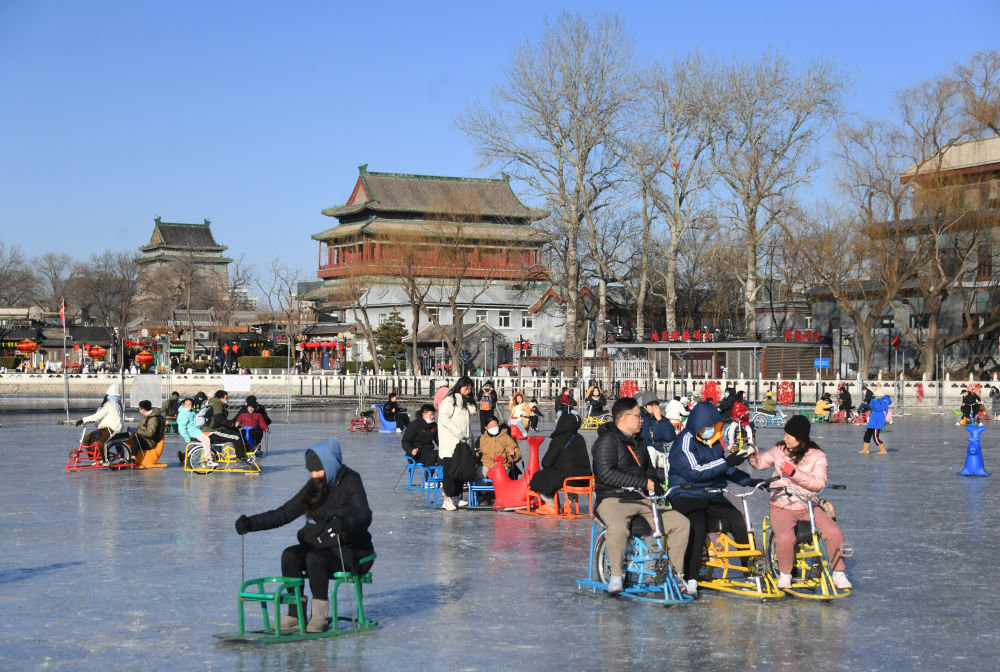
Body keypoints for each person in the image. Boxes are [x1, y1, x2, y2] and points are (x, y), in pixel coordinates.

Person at [235, 438, 374, 634]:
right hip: (323, 543)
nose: (314, 475)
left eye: (318, 470)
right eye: (311, 471)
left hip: (352, 550)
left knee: (315, 558)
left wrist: (346, 522)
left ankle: (319, 617)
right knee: (290, 555)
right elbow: (284, 513)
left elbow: (364, 515)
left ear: (330, 464)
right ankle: (295, 614)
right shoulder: (315, 485)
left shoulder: (351, 481)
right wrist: (251, 523)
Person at [593, 397, 690, 595]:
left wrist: (655, 484)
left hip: (641, 499)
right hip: (613, 499)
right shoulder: (606, 441)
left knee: (681, 523)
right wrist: (643, 483)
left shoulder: (639, 442)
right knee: (618, 528)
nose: (642, 420)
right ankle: (616, 576)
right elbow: (605, 474)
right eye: (638, 416)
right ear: (625, 418)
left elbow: (649, 470)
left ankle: (675, 574)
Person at [668, 400, 762, 595]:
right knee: (698, 525)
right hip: (686, 493)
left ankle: (750, 571)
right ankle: (691, 577)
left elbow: (723, 468)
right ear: (697, 425)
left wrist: (749, 481)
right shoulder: (684, 441)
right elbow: (695, 471)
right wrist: (726, 463)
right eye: (707, 427)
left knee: (738, 520)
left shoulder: (714, 441)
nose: (710, 430)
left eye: (713, 426)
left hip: (711, 493)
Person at [749, 415, 852, 590]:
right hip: (782, 504)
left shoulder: (817, 456)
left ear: (800, 437)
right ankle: (785, 574)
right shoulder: (780, 450)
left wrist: (794, 473)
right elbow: (759, 463)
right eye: (785, 434)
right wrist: (752, 455)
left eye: (788, 436)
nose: (785, 438)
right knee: (785, 538)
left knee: (834, 532)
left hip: (808, 504)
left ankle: (838, 572)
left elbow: (818, 484)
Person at [529, 411, 591, 513]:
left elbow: (546, 463)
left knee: (539, 477)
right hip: (585, 479)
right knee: (570, 474)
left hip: (567, 480)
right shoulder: (580, 438)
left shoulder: (558, 439)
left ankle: (550, 505)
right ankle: (568, 503)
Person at [437, 376, 477, 511]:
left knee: (461, 470)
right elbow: (443, 419)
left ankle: (455, 496)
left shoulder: (465, 403)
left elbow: (468, 424)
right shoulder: (449, 401)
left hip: (463, 442)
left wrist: (470, 440)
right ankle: (447, 498)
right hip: (450, 442)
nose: (468, 391)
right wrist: (458, 433)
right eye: (466, 388)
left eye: (470, 389)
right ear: (460, 386)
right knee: (450, 471)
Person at [75, 384, 124, 463]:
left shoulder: (110, 405)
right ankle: (95, 457)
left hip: (112, 429)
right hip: (105, 428)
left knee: (101, 443)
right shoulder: (114, 404)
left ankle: (105, 461)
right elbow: (100, 416)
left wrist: (83, 420)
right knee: (87, 438)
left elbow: (98, 415)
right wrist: (89, 420)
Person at [205, 390, 252, 467]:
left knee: (236, 431)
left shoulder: (214, 403)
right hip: (212, 431)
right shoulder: (217, 404)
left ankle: (242, 451)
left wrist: (232, 425)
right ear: (220, 398)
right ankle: (240, 458)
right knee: (236, 437)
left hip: (216, 428)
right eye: (226, 398)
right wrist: (231, 424)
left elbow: (219, 420)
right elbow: (219, 418)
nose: (227, 399)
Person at [176, 397, 215, 467]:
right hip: (193, 432)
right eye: (186, 404)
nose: (188, 405)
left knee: (207, 439)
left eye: (189, 404)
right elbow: (181, 428)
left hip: (196, 430)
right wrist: (187, 438)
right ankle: (207, 459)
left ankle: (184, 456)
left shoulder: (190, 412)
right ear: (183, 405)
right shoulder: (184, 413)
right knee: (206, 440)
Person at [128, 399, 164, 465]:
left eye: (139, 409)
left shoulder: (153, 419)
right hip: (143, 438)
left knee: (135, 440)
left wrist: (137, 430)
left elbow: (150, 433)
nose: (139, 410)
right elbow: (142, 428)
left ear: (143, 410)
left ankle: (133, 458)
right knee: (122, 437)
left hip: (149, 442)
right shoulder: (147, 416)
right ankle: (121, 458)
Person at [858, 385, 892, 455]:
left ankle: (883, 450)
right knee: (867, 435)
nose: (876, 397)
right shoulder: (875, 400)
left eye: (877, 396)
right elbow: (871, 407)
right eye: (875, 396)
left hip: (878, 421)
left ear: (880, 395)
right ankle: (866, 449)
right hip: (873, 419)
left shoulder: (884, 401)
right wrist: (873, 401)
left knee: (875, 437)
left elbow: (877, 408)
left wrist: (874, 401)